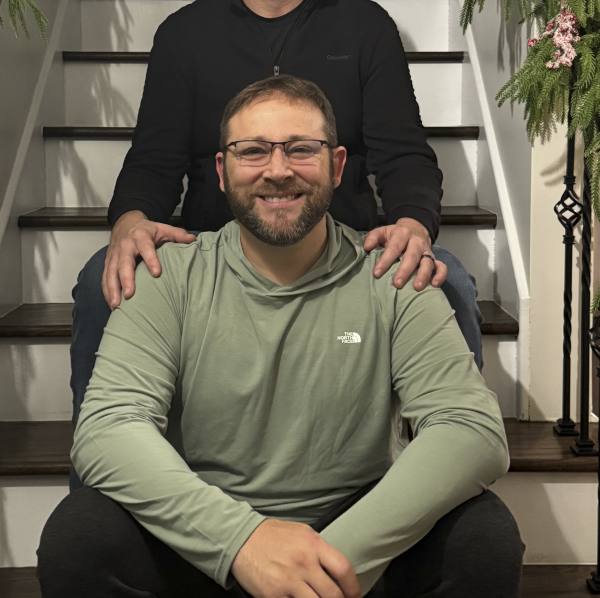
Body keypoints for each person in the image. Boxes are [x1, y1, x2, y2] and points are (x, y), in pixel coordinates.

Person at [70, 0, 484, 487]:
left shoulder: (367, 28)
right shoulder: (183, 36)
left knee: (450, 281)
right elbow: (152, 164)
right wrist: (129, 224)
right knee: (105, 279)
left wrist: (413, 224)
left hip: (345, 253)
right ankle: (109, 499)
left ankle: (438, 497)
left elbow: (406, 157)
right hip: (213, 256)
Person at [39, 77, 522, 598]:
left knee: (484, 538)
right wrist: (243, 545)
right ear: (221, 170)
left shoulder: (395, 274)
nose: (277, 170)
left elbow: (469, 428)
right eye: (252, 151)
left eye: (301, 149)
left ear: (337, 165)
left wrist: (319, 567)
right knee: (79, 536)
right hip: (204, 530)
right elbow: (108, 426)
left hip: (354, 541)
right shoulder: (166, 275)